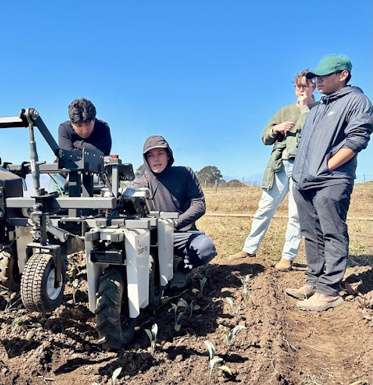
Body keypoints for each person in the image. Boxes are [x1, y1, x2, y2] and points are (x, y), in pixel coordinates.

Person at [286, 54, 373, 311]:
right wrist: (300, 175)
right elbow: (304, 143)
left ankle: (330, 291)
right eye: (316, 76)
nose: (318, 81)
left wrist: (326, 167)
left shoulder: (357, 100)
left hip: (332, 181)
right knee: (310, 233)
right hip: (304, 182)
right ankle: (314, 281)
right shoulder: (319, 107)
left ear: (343, 75)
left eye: (324, 76)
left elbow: (357, 140)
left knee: (332, 232)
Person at [230, 70, 316, 270]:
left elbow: (311, 131)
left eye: (305, 86)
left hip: (302, 167)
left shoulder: (317, 110)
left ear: (313, 87)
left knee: (296, 213)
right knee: (264, 208)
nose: (300, 90)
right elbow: (264, 137)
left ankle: (288, 257)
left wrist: (304, 109)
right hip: (279, 165)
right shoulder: (284, 111)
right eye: (298, 86)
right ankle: (249, 248)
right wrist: (275, 130)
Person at [134, 135, 217, 287]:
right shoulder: (141, 184)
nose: (156, 159)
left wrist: (176, 223)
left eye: (160, 153)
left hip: (180, 235)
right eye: (151, 155)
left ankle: (181, 270)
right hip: (153, 239)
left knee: (206, 247)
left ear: (168, 155)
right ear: (146, 159)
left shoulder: (185, 174)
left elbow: (199, 204)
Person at [49, 97, 112, 193]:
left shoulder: (103, 127)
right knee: (52, 206)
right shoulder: (64, 128)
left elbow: (103, 152)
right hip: (62, 178)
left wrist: (77, 144)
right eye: (79, 126)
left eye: (89, 124)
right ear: (72, 123)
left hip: (94, 178)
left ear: (94, 120)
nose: (85, 130)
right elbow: (67, 156)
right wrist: (91, 150)